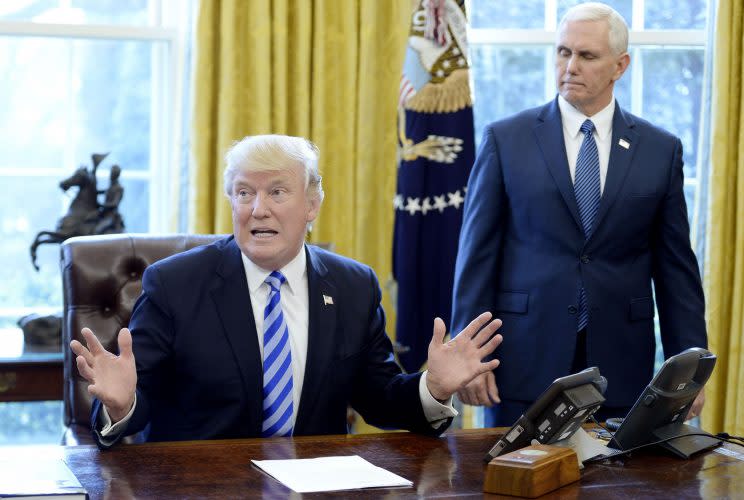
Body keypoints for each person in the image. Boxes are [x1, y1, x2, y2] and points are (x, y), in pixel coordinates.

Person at [71, 134, 504, 448]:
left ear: (312, 205)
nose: (258, 209)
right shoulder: (174, 284)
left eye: (277, 192)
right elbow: (135, 404)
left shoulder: (353, 286)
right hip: (202, 482)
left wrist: (434, 388)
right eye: (245, 193)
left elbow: (380, 399)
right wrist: (123, 402)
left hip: (313, 482)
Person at [451, 2, 707, 426]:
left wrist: (690, 367)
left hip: (622, 368)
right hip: (523, 360)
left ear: (620, 66)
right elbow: (476, 256)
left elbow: (676, 268)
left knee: (619, 487)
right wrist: (470, 355)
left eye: (586, 56)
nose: (570, 65)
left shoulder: (660, 151)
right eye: (563, 52)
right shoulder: (506, 139)